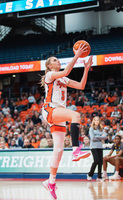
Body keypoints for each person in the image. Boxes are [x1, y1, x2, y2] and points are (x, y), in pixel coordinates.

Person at [40, 44, 93, 200]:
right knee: (75, 115)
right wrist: (77, 55)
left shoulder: (62, 78)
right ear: (49, 66)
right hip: (51, 110)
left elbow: (81, 86)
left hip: (59, 113)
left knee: (58, 150)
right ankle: (76, 150)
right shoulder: (50, 76)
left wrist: (86, 69)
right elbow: (67, 70)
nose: (58, 61)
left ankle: (50, 182)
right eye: (55, 60)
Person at [87, 116, 107, 181]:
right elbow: (92, 138)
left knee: (100, 161)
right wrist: (100, 137)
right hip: (94, 147)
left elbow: (105, 137)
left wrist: (97, 137)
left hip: (100, 146)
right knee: (96, 160)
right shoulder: (91, 129)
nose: (97, 121)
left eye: (98, 120)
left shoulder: (101, 128)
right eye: (95, 120)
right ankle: (90, 174)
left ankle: (99, 177)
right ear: (93, 121)